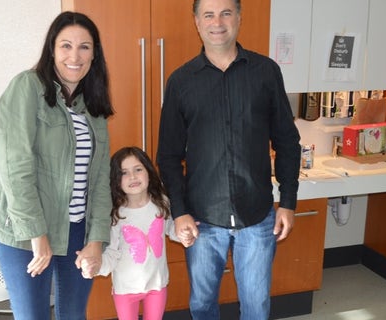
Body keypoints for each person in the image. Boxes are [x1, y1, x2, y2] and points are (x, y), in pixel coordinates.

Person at [156, 0, 301, 319]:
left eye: (226, 12)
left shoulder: (265, 72)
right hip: (202, 218)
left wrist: (288, 201)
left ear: (239, 17)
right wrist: (179, 212)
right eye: (208, 14)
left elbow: (287, 140)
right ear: (196, 21)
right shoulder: (181, 82)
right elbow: (167, 155)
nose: (217, 22)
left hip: (258, 215)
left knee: (256, 306)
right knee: (202, 305)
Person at [0, 11, 114, 320]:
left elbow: (99, 180)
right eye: (65, 45)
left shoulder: (93, 108)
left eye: (84, 47)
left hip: (77, 233)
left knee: (74, 315)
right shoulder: (27, 87)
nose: (75, 55)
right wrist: (37, 233)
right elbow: (16, 167)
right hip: (25, 233)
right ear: (52, 50)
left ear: (94, 55)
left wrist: (96, 240)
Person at [82, 146, 179, 320]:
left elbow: (171, 227)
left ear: (148, 172)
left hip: (156, 285)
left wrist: (185, 232)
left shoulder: (161, 203)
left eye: (138, 169)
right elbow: (111, 253)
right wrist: (96, 267)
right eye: (124, 173)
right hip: (125, 290)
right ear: (116, 180)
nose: (132, 177)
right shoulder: (115, 215)